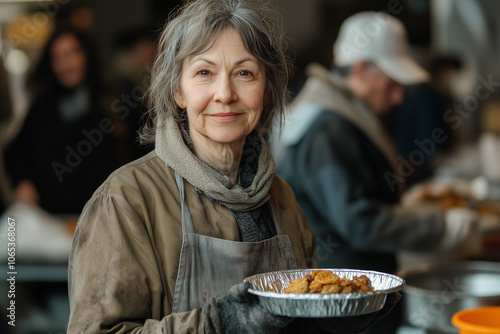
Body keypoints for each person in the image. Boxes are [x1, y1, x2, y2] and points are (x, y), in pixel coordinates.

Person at [67, 1, 400, 333]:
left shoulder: (280, 197)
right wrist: (219, 323)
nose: (225, 94)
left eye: (244, 73)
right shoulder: (125, 201)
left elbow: (293, 314)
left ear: (267, 91)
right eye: (204, 73)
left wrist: (332, 320)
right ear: (177, 91)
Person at [274, 12, 478, 333]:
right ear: (360, 70)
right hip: (343, 309)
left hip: (359, 301)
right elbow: (359, 221)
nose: (398, 97)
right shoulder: (328, 128)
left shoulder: (341, 115)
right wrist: (440, 226)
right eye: (391, 84)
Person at [4, 25, 118, 215]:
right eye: (57, 57)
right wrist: (22, 182)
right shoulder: (42, 107)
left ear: (86, 56)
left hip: (102, 217)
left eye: (72, 53)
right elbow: (15, 153)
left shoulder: (111, 104)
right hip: (51, 220)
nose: (66, 64)